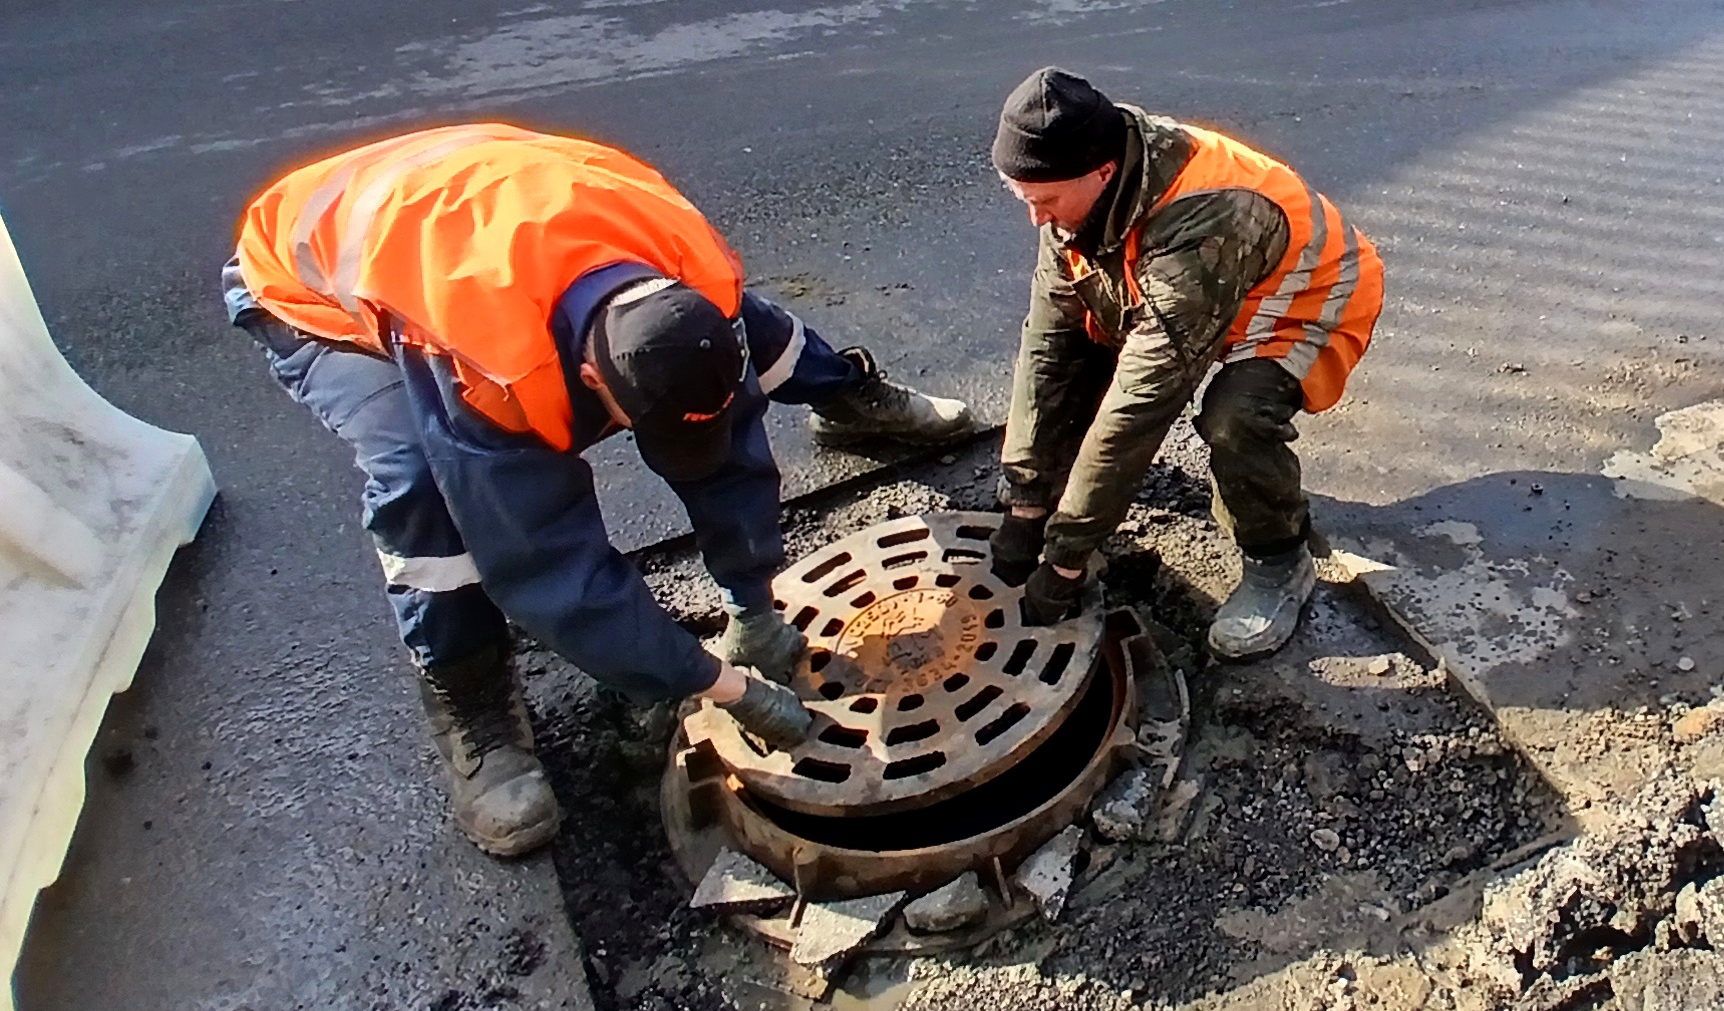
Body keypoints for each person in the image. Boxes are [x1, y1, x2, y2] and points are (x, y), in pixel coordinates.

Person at [223, 122, 975, 857]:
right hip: (315, 287)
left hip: (497, 199)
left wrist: (752, 600)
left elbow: (729, 435)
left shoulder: (692, 268)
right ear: (587, 378)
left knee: (725, 337)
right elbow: (547, 562)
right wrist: (714, 683)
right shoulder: (491, 368)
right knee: (424, 490)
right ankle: (470, 701)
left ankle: (845, 394)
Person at [988, 70, 1382, 660]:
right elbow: (1050, 345)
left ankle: (1278, 560)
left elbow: (1142, 405)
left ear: (1102, 174)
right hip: (1201, 287)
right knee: (1080, 345)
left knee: (1235, 419)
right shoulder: (1075, 169)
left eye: (1045, 203)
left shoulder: (1208, 215)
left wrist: (1067, 555)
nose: (1036, 220)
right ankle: (1058, 498)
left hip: (1302, 300)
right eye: (1024, 200)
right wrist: (1025, 500)